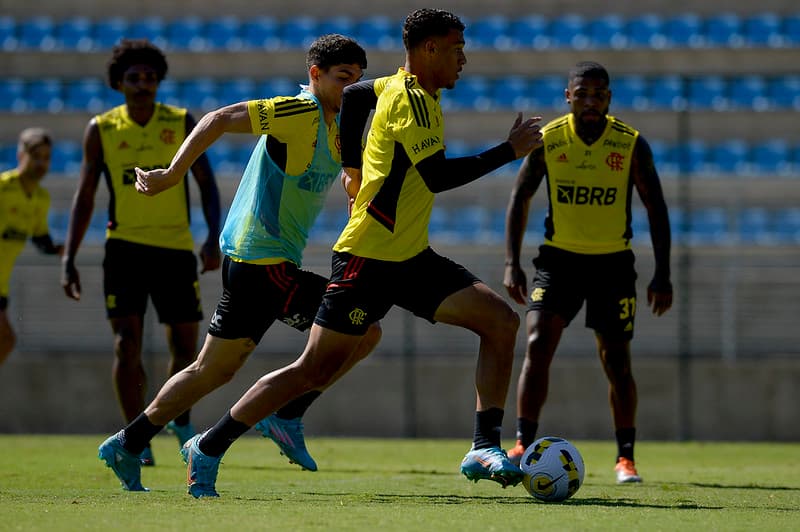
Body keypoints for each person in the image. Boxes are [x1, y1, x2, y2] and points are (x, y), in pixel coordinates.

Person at [179, 8, 544, 499]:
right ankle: (208, 446)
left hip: (410, 257)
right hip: (367, 259)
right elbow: (436, 177)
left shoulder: (394, 86)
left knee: (499, 322)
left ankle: (483, 446)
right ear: (429, 49)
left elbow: (354, 95)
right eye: (456, 48)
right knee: (312, 370)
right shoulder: (412, 101)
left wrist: (351, 167)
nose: (464, 59)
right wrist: (508, 150)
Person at [96, 33, 379, 493]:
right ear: (315, 74)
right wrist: (173, 173)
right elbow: (219, 118)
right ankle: (278, 419)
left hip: (257, 262)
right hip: (263, 261)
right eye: (342, 78)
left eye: (357, 80)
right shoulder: (299, 111)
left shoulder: (337, 126)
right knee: (363, 331)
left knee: (211, 370)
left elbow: (350, 180)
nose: (350, 89)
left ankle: (127, 443)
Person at [503, 61, 673, 484]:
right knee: (537, 342)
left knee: (616, 362)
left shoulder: (629, 143)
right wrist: (512, 262)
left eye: (599, 95)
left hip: (612, 264)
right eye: (582, 94)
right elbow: (520, 197)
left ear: (609, 98)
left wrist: (662, 273)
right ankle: (522, 443)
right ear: (568, 97)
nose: (591, 102)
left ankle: (625, 457)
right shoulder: (550, 140)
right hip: (558, 261)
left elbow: (655, 207)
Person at [61, 39, 222, 467]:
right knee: (125, 345)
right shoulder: (101, 128)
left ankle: (178, 419)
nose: (143, 84)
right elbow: (85, 195)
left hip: (175, 249)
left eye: (150, 77)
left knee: (186, 347)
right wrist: (69, 257)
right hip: (124, 251)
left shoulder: (180, 121)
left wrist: (212, 237)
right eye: (134, 77)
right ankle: (136, 437)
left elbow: (206, 184)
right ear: (119, 83)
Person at [0, 128, 64, 367]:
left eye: (46, 158)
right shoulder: (3, 188)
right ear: (21, 156)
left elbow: (40, 238)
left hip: (2, 286)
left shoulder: (41, 198)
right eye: (36, 156)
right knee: (6, 338)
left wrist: (57, 249)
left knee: (5, 341)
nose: (41, 163)